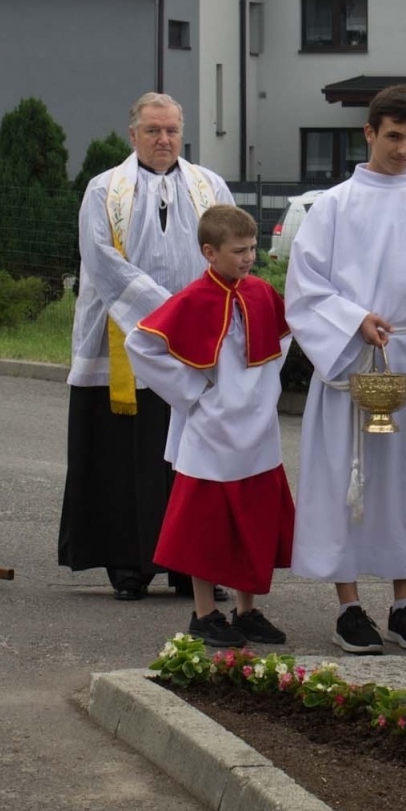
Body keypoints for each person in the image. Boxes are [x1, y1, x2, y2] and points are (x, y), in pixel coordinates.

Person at [285, 84, 406, 655]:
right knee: (348, 479)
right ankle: (349, 607)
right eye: (393, 137)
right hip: (354, 356)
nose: (403, 150)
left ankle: (404, 605)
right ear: (369, 133)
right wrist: (355, 320)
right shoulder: (334, 205)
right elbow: (305, 289)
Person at [58, 93, 235, 601]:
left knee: (192, 458)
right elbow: (101, 260)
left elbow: (231, 252)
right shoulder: (104, 189)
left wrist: (197, 315)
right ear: (132, 134)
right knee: (123, 457)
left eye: (172, 130)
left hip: (194, 343)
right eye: (153, 130)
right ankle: (128, 566)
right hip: (124, 338)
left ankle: (191, 568)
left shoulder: (210, 187)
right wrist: (167, 312)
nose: (164, 140)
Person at [125, 204, 295, 648]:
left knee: (254, 520)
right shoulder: (193, 298)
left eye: (252, 248)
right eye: (239, 250)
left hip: (257, 426)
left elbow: (283, 336)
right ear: (209, 252)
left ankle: (246, 611)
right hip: (211, 429)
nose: (249, 258)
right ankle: (204, 614)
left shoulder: (260, 292)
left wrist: (263, 387)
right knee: (207, 526)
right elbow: (139, 344)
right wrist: (193, 390)